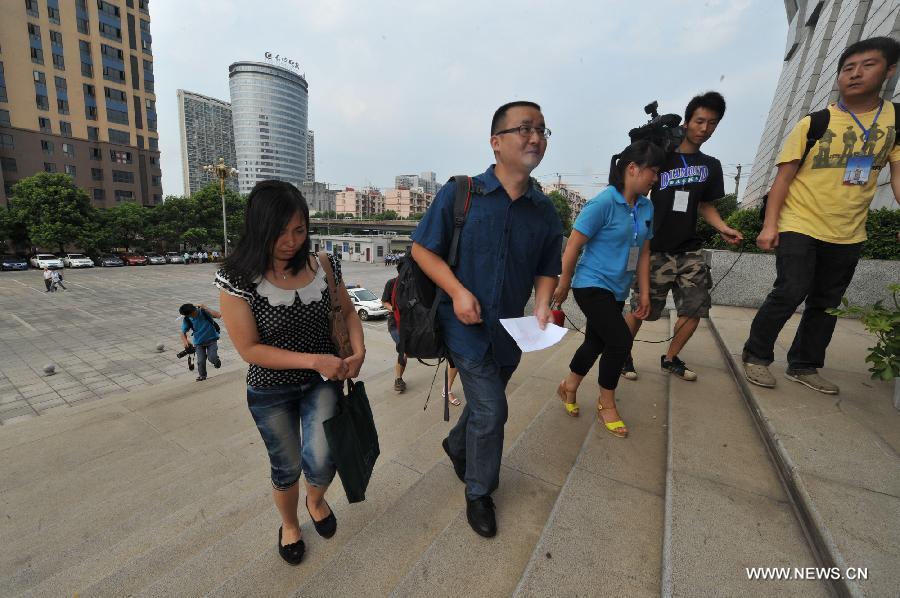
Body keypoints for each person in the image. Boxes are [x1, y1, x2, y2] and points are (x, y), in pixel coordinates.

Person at [411, 101, 562, 538]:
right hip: (463, 326)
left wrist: (542, 304)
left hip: (511, 331)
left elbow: (548, 267)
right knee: (493, 409)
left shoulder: (544, 210)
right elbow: (422, 249)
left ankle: (457, 445)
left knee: (482, 407)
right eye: (524, 129)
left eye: (542, 130)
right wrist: (457, 292)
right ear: (496, 143)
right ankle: (479, 492)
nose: (536, 137)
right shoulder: (463, 193)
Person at [216, 180, 365, 565]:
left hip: (323, 383)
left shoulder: (322, 264)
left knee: (322, 459)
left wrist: (359, 351)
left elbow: (347, 313)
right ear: (259, 228)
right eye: (280, 231)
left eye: (299, 230)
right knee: (286, 468)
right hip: (270, 390)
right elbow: (249, 349)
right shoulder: (236, 278)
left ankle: (315, 502)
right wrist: (314, 360)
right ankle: (290, 524)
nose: (291, 240)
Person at [743, 36, 900, 394]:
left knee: (826, 304)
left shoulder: (894, 122)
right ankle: (756, 355)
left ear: (889, 70)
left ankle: (804, 365)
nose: (856, 74)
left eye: (868, 65)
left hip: (849, 230)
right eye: (848, 68)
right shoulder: (815, 123)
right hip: (800, 221)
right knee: (790, 289)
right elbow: (782, 179)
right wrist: (770, 225)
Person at [622, 92, 743, 382]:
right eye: (699, 121)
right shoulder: (661, 157)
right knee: (642, 307)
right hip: (654, 246)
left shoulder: (711, 166)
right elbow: (637, 190)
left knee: (696, 307)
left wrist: (723, 227)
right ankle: (622, 354)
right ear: (687, 121)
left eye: (712, 123)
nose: (704, 128)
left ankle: (671, 358)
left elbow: (706, 205)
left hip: (689, 249)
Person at [553, 140, 664, 437]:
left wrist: (642, 292)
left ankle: (569, 386)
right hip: (591, 284)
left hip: (617, 288)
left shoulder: (646, 206)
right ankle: (606, 403)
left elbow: (643, 252)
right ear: (632, 168)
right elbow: (573, 244)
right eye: (653, 171)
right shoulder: (603, 203)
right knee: (619, 341)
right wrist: (564, 281)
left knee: (596, 342)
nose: (655, 178)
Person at [381, 264, 408, 392]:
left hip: (408, 323)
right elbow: (384, 301)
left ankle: (399, 378)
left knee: (405, 352)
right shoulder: (391, 283)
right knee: (403, 350)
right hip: (395, 323)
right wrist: (394, 309)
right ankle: (398, 379)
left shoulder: (411, 284)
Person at [179, 303, 222, 381]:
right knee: (200, 361)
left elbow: (218, 315)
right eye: (189, 316)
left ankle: (216, 361)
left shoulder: (203, 312)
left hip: (211, 339)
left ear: (194, 309)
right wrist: (185, 342)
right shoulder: (187, 319)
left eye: (193, 313)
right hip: (199, 342)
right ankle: (202, 375)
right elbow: (183, 332)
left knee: (212, 358)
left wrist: (205, 307)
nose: (192, 316)